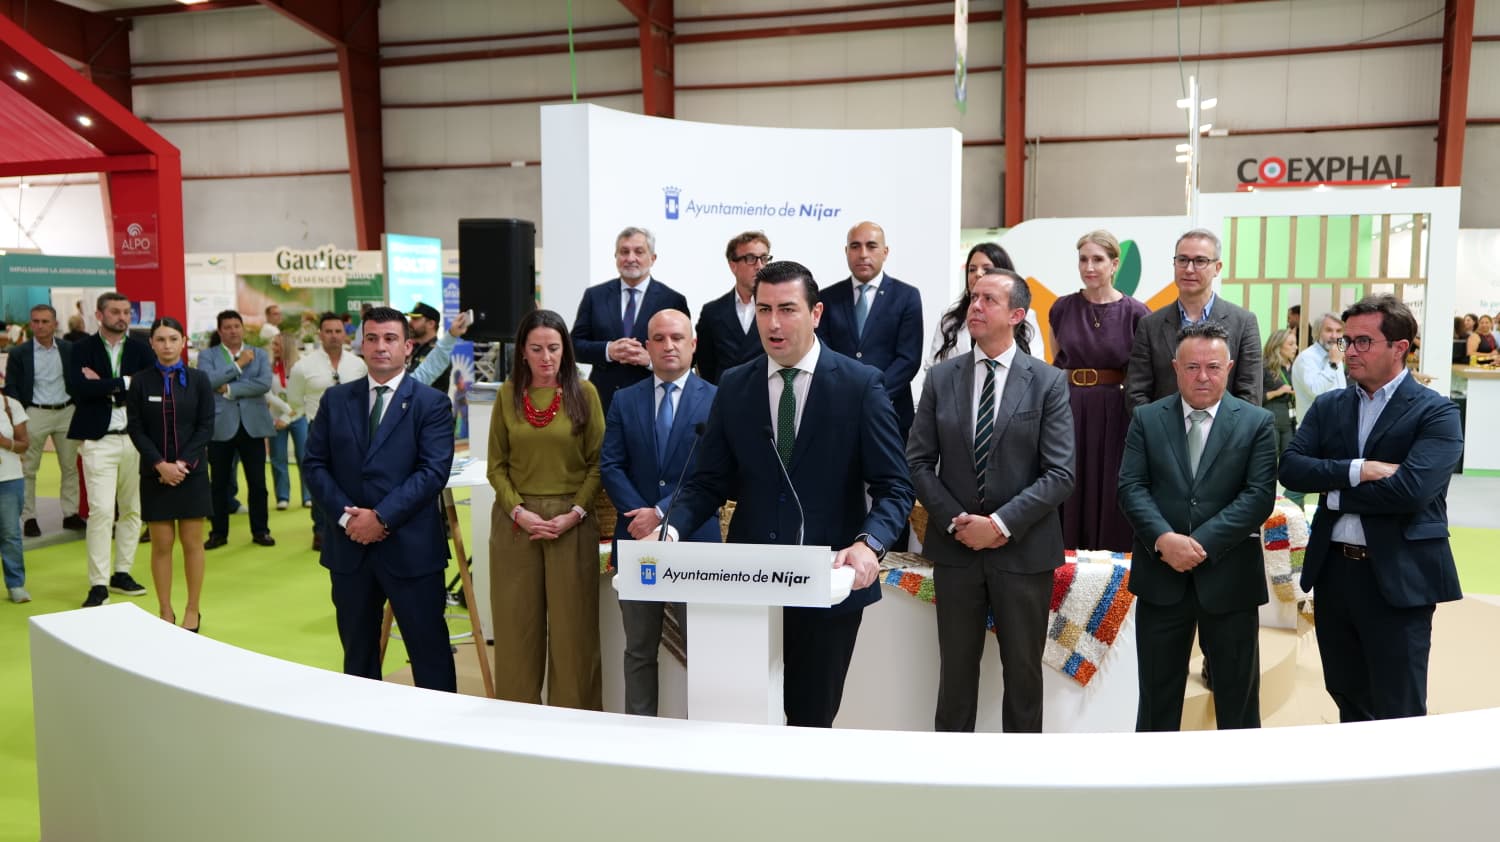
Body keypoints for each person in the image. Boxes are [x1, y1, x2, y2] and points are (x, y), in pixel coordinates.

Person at [662, 260, 914, 728]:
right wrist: (670, 530)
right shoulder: (735, 384)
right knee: (738, 722)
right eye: (763, 310)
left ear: (816, 313)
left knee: (808, 725)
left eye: (787, 309)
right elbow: (707, 481)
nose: (773, 323)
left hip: (828, 582)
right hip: (746, 584)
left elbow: (895, 487)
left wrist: (869, 544)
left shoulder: (860, 385)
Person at [1280, 294, 1463, 722]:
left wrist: (1334, 492)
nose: (1349, 352)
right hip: (1334, 575)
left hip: (1399, 575)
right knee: (1347, 696)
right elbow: (1291, 469)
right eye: (1346, 341)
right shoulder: (1330, 406)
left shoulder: (1437, 412)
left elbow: (1412, 491)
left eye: (1363, 342)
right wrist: (1359, 470)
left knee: (1399, 707)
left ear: (1400, 348)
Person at [907, 269, 1074, 733]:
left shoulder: (1047, 382)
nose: (975, 306)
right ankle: (951, 770)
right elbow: (918, 461)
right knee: (955, 678)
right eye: (973, 297)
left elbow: (1060, 473)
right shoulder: (941, 378)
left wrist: (999, 525)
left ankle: (1020, 772)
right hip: (956, 549)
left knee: (1023, 677)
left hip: (1024, 552)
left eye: (988, 300)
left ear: (1017, 315)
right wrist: (955, 521)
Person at [1118, 321, 1277, 731]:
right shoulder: (1147, 419)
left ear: (1230, 367)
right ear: (1175, 367)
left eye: (1213, 367)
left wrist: (1198, 544)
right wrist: (1164, 540)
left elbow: (1258, 496)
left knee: (1238, 702)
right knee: (1156, 702)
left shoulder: (1256, 422)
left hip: (1230, 579)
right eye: (1192, 367)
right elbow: (1131, 487)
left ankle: (1237, 772)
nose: (1202, 376)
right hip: (1161, 578)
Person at [304, 306, 458, 692]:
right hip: (349, 549)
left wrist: (381, 517)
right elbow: (315, 465)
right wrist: (348, 520)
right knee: (358, 657)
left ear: (408, 347)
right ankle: (363, 725)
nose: (380, 347)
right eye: (371, 338)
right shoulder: (335, 400)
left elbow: (432, 472)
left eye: (390, 339)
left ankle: (440, 727)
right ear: (361, 345)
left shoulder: (431, 403)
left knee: (429, 654)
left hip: (411, 549)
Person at [601, 309, 719, 716]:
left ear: (693, 344)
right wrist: (641, 514)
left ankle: (702, 731)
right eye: (659, 338)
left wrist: (660, 512)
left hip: (695, 541)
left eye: (677, 338)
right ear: (647, 346)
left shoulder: (717, 399)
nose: (669, 346)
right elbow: (611, 465)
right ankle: (640, 734)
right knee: (638, 649)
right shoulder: (624, 399)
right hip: (636, 541)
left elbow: (716, 473)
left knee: (703, 649)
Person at [488, 309, 606, 709]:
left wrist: (574, 513)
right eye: (536, 348)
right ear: (522, 351)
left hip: (572, 522)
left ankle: (575, 720)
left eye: (553, 348)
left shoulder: (585, 394)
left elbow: (598, 463)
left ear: (565, 350)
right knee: (516, 627)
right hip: (516, 522)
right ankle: (517, 718)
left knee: (574, 632)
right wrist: (519, 511)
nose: (546, 357)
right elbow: (496, 466)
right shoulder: (507, 395)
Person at [1049, 230, 1151, 552]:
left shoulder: (1137, 313)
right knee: (1068, 478)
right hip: (1068, 407)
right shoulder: (1061, 308)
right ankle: (1065, 558)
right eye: (1083, 259)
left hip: (1115, 408)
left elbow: (1141, 372)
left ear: (1114, 264)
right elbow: (1056, 362)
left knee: (1109, 483)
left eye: (1097, 259)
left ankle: (1111, 563)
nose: (1089, 267)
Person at [126, 317, 215, 632]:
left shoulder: (199, 379)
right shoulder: (140, 382)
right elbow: (136, 427)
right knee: (161, 544)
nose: (167, 345)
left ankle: (193, 608)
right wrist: (160, 464)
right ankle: (165, 610)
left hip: (192, 473)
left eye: (173, 339)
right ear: (151, 343)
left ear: (183, 342)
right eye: (161, 339)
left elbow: (206, 426)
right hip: (155, 474)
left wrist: (183, 464)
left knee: (193, 542)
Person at [67, 291, 154, 608]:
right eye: (116, 311)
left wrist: (105, 384)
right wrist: (125, 383)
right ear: (100, 315)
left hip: (135, 438)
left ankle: (122, 573)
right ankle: (98, 584)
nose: (123, 317)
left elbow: (148, 388)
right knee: (101, 511)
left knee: (132, 510)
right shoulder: (81, 348)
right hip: (97, 440)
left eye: (127, 312)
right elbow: (78, 389)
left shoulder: (141, 349)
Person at [1125, 228, 1262, 412]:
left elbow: (1250, 395)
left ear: (1217, 268)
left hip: (1226, 429)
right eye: (1182, 260)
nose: (1189, 269)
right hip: (1163, 429)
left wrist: (1219, 429)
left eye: (1200, 261)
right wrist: (1157, 427)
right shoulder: (1150, 325)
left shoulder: (1243, 323)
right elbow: (1136, 393)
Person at [816, 220, 924, 438]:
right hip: (837, 411)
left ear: (885, 252)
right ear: (846, 251)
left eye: (871, 246)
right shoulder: (827, 298)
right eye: (855, 246)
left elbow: (908, 359)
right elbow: (823, 354)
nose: (863, 254)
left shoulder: (906, 296)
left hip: (890, 412)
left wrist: (872, 394)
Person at [572, 227, 690, 413]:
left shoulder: (672, 300)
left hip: (653, 401)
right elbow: (574, 345)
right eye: (624, 252)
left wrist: (652, 360)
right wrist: (608, 350)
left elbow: (687, 353)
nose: (630, 258)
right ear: (616, 256)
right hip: (603, 401)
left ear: (653, 258)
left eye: (639, 252)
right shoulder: (595, 296)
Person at [289, 313, 369, 550]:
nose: (333, 336)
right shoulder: (303, 366)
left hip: (354, 430)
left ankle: (352, 526)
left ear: (345, 334)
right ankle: (321, 530)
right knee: (320, 480)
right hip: (318, 429)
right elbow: (295, 399)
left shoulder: (358, 365)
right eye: (328, 331)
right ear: (320, 335)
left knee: (351, 478)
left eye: (338, 331)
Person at [6, 304, 85, 538]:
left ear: (55, 324)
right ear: (31, 324)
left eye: (44, 321)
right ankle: (29, 517)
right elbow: (11, 386)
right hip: (35, 413)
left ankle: (70, 514)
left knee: (70, 467)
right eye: (35, 321)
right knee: (29, 468)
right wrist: (18, 416)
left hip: (67, 411)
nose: (39, 326)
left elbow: (79, 379)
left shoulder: (69, 349)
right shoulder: (19, 353)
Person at [199, 310, 275, 549]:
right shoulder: (208, 355)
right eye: (228, 327)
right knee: (219, 483)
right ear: (220, 330)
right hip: (220, 425)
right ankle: (218, 532)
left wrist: (230, 389)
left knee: (258, 483)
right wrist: (238, 365)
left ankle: (261, 531)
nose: (233, 331)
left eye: (236, 326)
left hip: (253, 425)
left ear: (243, 328)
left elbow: (263, 384)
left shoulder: (259, 353)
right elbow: (207, 382)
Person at [926, 243, 1044, 369]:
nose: (978, 274)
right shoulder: (950, 318)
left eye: (987, 269)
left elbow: (1037, 366)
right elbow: (933, 368)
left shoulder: (1024, 316)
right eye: (972, 269)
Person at [695, 230, 770, 384]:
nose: (759, 266)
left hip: (767, 392)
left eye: (764, 258)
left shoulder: (778, 310)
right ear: (733, 265)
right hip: (725, 392)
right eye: (751, 259)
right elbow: (706, 365)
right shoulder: (712, 312)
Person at [268, 333, 309, 512]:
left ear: (286, 346)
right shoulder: (269, 367)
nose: (273, 348)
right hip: (276, 419)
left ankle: (308, 496)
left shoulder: (302, 367)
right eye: (273, 344)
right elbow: (267, 393)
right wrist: (284, 412)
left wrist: (289, 416)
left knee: (305, 457)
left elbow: (305, 395)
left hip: (299, 417)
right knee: (278, 458)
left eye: (277, 344)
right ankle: (282, 497)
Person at [1262, 328, 1302, 506]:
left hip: (1290, 420)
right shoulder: (1265, 367)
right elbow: (1255, 396)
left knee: (1291, 464)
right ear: (1278, 346)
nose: (1295, 347)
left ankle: (1290, 506)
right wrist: (1278, 392)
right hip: (1272, 418)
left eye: (1295, 344)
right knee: (1268, 464)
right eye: (1291, 344)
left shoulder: (1295, 368)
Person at [0, 388, 29, 603]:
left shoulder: (10, 405)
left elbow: (24, 444)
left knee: (10, 534)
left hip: (9, 479)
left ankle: (15, 584)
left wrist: (4, 442)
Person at [405, 302, 452, 394]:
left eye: (415, 319)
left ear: (431, 324)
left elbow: (416, 382)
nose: (410, 322)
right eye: (411, 318)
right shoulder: (413, 348)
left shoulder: (438, 353)